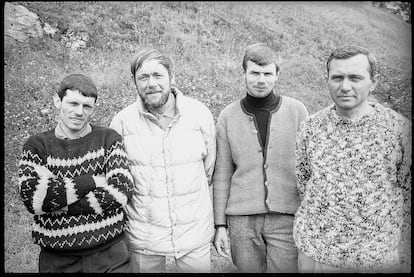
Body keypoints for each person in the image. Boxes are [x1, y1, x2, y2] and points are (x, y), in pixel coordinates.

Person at [293, 45, 412, 273]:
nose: (345, 86)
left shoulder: (398, 130)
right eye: (337, 77)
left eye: (355, 77)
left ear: (373, 82)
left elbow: (406, 191)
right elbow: (303, 179)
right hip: (317, 253)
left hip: (376, 258)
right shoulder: (310, 127)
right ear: (327, 79)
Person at [109, 48, 216, 273]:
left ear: (171, 77)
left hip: (193, 233)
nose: (151, 83)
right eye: (143, 77)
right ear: (135, 82)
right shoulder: (121, 122)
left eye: (158, 75)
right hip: (143, 237)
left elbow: (209, 170)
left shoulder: (199, 114)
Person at [18, 73, 134, 272]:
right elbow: (34, 200)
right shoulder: (37, 146)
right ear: (57, 101)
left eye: (87, 106)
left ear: (93, 107)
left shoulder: (109, 140)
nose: (79, 112)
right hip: (57, 260)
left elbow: (121, 192)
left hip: (111, 255)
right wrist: (92, 181)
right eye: (73, 103)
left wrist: (58, 202)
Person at [212, 43, 309, 273]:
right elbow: (222, 174)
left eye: (267, 74)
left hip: (287, 218)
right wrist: (220, 225)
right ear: (244, 73)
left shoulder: (297, 111)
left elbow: (309, 168)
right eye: (254, 73)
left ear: (277, 75)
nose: (261, 80)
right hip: (242, 220)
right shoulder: (228, 116)